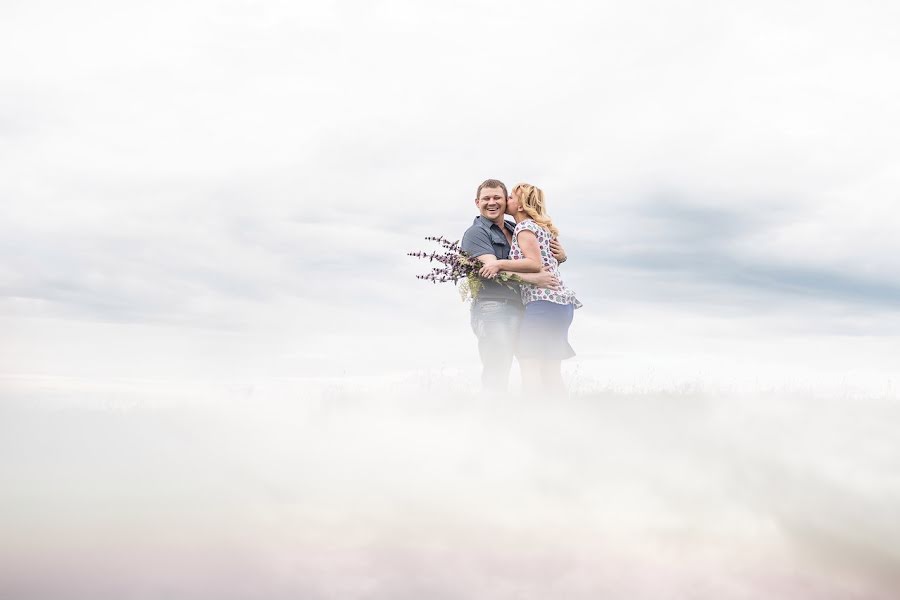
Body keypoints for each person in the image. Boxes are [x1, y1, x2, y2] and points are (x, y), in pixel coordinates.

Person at [461, 179, 568, 392]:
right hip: (494, 307)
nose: (492, 202)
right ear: (477, 202)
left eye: (499, 197)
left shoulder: (518, 227)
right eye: (486, 198)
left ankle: (546, 416)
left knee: (539, 364)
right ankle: (496, 417)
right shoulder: (476, 233)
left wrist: (562, 256)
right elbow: (492, 270)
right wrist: (534, 278)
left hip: (526, 305)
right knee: (499, 366)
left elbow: (542, 258)